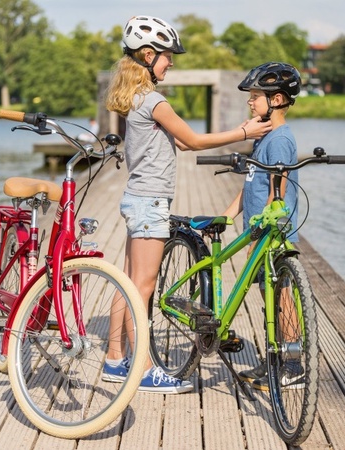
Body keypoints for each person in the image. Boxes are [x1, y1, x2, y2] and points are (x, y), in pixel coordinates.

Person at [102, 15, 273, 394]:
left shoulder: (138, 99)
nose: (172, 62)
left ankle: (115, 359)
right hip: (149, 203)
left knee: (129, 282)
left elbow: (179, 142)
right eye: (167, 56)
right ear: (148, 55)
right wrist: (245, 132)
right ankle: (144, 369)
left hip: (138, 198)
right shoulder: (155, 101)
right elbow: (193, 142)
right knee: (142, 288)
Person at [220, 62, 303, 391]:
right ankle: (277, 360)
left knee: (282, 296)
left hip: (273, 234)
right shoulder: (265, 138)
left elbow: (275, 192)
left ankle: (293, 365)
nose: (250, 102)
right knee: (270, 297)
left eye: (256, 97)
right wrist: (228, 215)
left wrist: (261, 236)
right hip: (258, 231)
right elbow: (251, 181)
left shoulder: (280, 140)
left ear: (278, 100)